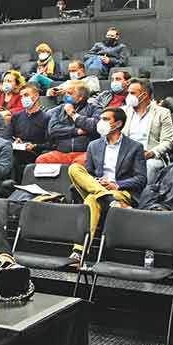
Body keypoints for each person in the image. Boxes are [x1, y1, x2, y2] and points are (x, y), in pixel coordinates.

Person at [68, 108, 147, 258]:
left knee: (92, 199)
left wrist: (115, 184)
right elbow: (89, 173)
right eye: (101, 119)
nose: (100, 122)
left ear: (117, 123)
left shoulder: (134, 147)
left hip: (119, 191)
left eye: (105, 119)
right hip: (99, 188)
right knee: (74, 168)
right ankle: (108, 199)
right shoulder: (94, 145)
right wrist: (97, 182)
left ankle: (79, 252)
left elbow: (141, 179)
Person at [37, 80, 101, 165]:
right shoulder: (59, 109)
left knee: (79, 164)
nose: (65, 96)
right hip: (61, 152)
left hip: (84, 152)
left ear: (81, 97)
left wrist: (72, 114)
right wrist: (77, 131)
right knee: (42, 160)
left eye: (69, 93)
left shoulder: (94, 108)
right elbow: (53, 129)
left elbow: (94, 126)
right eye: (65, 93)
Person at [122, 78, 173, 185]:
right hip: (125, 155)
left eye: (132, 93)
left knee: (150, 166)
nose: (128, 96)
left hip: (150, 156)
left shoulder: (162, 113)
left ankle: (143, 198)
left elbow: (167, 142)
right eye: (128, 93)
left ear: (144, 95)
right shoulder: (123, 111)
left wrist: (150, 153)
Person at [1, 83, 51, 181]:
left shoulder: (47, 118)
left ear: (36, 96)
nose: (23, 99)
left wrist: (34, 146)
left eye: (26, 95)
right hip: (16, 149)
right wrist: (14, 143)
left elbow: (51, 143)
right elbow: (6, 137)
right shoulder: (16, 116)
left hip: (35, 152)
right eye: (22, 96)